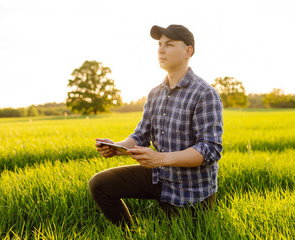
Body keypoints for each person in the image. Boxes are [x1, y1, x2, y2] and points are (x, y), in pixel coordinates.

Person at [89, 24, 223, 230]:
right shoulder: (154, 93)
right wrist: (117, 147)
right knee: (100, 184)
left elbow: (210, 149)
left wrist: (161, 158)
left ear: (188, 51)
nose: (161, 50)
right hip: (161, 176)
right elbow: (141, 134)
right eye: (159, 44)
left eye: (169, 44)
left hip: (192, 189)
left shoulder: (204, 93)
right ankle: (128, 235)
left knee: (177, 233)